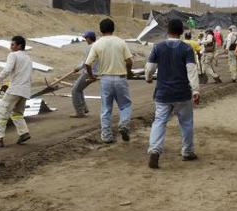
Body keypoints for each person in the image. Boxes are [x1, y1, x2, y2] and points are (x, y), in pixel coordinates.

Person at [146, 19, 200, 169]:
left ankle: (155, 150)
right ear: (182, 32)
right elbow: (191, 70)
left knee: (159, 121)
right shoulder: (186, 49)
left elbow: (150, 67)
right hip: (182, 93)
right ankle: (187, 151)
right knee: (186, 123)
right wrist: (195, 90)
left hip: (162, 93)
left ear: (167, 31)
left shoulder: (158, 47)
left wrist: (148, 78)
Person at [85, 18, 133, 143]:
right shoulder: (121, 42)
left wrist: (91, 76)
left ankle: (106, 136)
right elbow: (129, 61)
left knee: (106, 108)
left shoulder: (97, 44)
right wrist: (128, 72)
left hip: (105, 79)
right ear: (113, 28)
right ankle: (124, 124)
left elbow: (88, 64)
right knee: (125, 105)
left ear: (101, 30)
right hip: (120, 78)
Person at [0, 36, 33, 147]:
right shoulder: (28, 58)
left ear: (19, 46)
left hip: (15, 89)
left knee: (1, 113)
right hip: (25, 90)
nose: (11, 46)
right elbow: (23, 74)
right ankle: (24, 133)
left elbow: (7, 69)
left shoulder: (13, 55)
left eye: (13, 44)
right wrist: (8, 83)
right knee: (17, 113)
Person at [70, 31, 98, 118]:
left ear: (89, 38)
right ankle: (84, 108)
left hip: (89, 72)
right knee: (78, 88)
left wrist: (78, 68)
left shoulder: (90, 47)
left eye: (86, 38)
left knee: (75, 90)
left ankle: (79, 112)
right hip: (95, 71)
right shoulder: (97, 46)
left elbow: (86, 62)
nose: (85, 39)